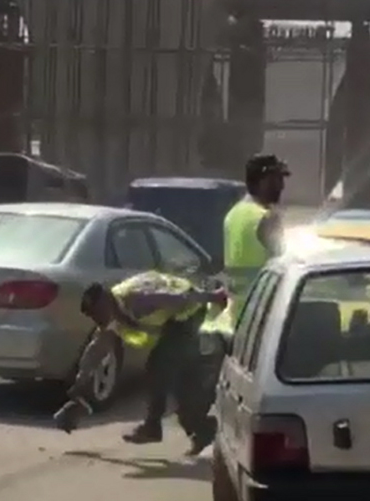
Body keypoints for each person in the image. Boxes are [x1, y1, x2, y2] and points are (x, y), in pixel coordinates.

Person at [56, 271, 225, 456]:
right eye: (93, 317)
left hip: (188, 313)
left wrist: (213, 296)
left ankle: (153, 427)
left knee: (159, 367)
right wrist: (79, 389)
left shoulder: (137, 300)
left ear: (106, 301)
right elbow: (95, 351)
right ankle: (203, 431)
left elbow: (177, 298)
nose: (98, 321)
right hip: (172, 321)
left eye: (97, 313)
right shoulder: (111, 314)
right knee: (178, 382)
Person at [220, 154, 288, 321]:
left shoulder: (232, 214)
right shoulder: (267, 218)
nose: (282, 186)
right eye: (277, 179)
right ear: (263, 181)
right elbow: (285, 268)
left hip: (236, 316)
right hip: (261, 316)